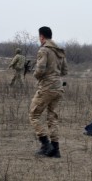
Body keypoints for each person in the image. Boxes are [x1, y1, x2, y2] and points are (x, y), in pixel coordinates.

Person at [29, 26, 68, 158]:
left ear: (42, 36)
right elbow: (65, 71)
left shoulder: (44, 50)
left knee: (34, 115)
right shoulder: (60, 51)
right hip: (58, 88)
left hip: (47, 88)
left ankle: (46, 145)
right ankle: (56, 150)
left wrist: (35, 74)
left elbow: (39, 71)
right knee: (52, 118)